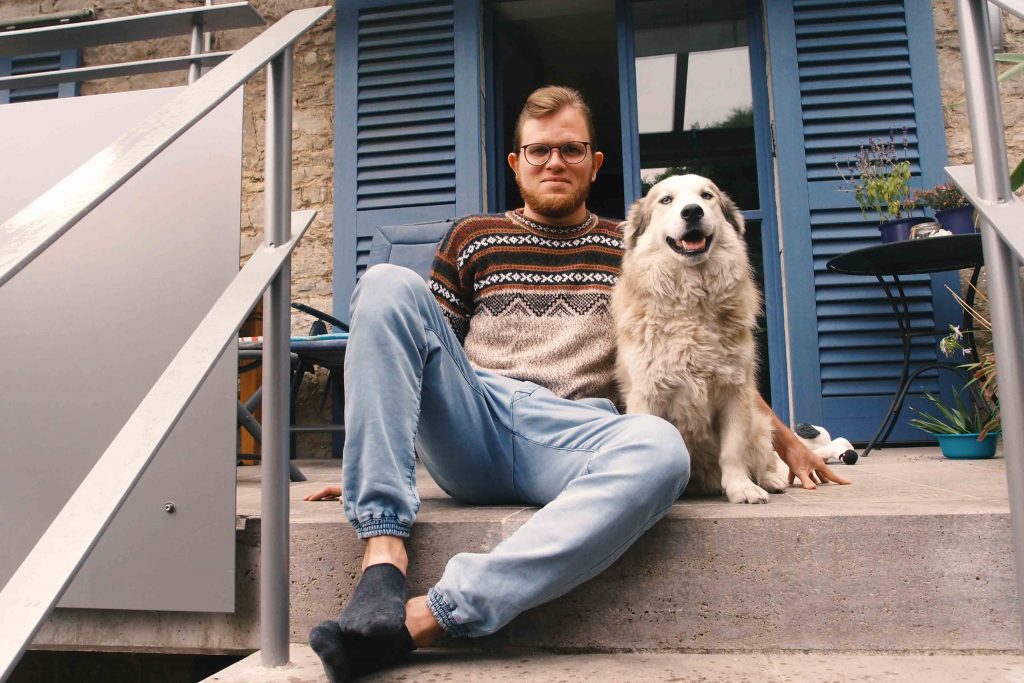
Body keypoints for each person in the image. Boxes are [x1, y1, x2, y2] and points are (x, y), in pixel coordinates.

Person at [307, 85, 850, 681]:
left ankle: (429, 617)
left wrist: (779, 436)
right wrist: (377, 454)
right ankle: (383, 556)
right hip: (476, 415)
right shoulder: (472, 237)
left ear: (595, 163)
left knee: (659, 446)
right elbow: (413, 347)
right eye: (538, 151)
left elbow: (712, 351)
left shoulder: (640, 242)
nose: (554, 162)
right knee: (386, 283)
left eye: (571, 149)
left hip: (572, 434)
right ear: (516, 163)